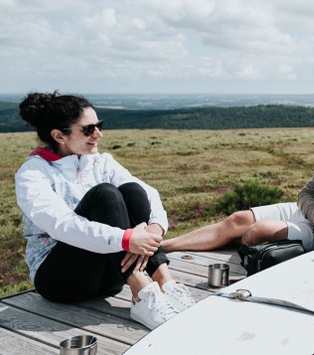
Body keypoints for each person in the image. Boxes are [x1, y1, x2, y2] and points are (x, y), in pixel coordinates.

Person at [15, 91, 195, 330]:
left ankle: (164, 283)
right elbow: (62, 224)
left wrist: (155, 227)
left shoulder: (101, 162)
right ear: (59, 135)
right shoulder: (33, 173)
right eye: (88, 129)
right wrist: (125, 238)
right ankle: (143, 293)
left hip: (112, 275)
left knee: (133, 190)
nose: (98, 134)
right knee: (105, 194)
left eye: (98, 126)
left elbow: (148, 193)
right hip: (61, 281)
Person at [163, 101, 314, 253]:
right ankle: (162, 247)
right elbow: (306, 194)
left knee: (257, 232)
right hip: (309, 216)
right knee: (238, 219)